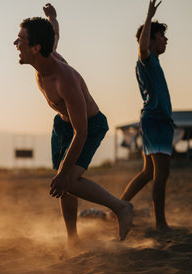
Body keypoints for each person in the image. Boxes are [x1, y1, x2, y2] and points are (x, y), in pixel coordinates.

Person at [14, 4, 133, 246]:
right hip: (63, 124)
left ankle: (120, 207)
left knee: (67, 180)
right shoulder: (45, 56)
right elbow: (54, 35)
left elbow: (82, 132)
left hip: (88, 126)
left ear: (36, 48)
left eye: (21, 40)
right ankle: (72, 239)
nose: (15, 44)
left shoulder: (64, 80)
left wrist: (63, 173)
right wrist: (52, 17)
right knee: (64, 185)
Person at [120, 0, 172, 231]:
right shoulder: (146, 58)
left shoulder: (155, 63)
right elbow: (142, 47)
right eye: (161, 36)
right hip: (156, 120)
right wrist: (149, 17)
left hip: (156, 120)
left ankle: (119, 206)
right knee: (161, 174)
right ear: (150, 38)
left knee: (148, 172)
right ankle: (161, 224)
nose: (166, 39)